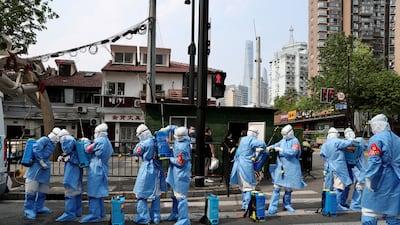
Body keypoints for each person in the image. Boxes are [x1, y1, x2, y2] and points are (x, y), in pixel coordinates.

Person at [361, 114, 400, 225]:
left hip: (380, 178)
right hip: (396, 179)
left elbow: (374, 161)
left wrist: (369, 177)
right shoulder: (397, 139)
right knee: (394, 214)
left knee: (369, 212)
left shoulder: (376, 139)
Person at [266, 124, 306, 215]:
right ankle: (273, 206)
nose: (284, 137)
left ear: (290, 133)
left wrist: (281, 150)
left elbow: (293, 152)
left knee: (288, 187)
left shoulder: (295, 141)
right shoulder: (283, 140)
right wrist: (269, 147)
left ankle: (287, 204)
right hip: (281, 166)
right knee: (277, 187)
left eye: (285, 135)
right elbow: (276, 145)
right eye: (283, 135)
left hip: (291, 166)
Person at [132, 124, 167, 225]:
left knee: (141, 194)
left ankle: (143, 218)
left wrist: (139, 144)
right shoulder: (157, 140)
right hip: (158, 170)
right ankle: (156, 217)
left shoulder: (144, 143)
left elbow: (136, 152)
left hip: (147, 169)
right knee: (156, 195)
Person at [23, 127, 61, 219]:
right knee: (32, 189)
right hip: (36, 166)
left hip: (45, 167)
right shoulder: (44, 139)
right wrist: (40, 161)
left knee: (43, 189)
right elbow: (36, 148)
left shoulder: (53, 144)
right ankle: (29, 209)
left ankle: (39, 207)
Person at [80, 123, 114, 223]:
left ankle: (94, 215)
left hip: (96, 168)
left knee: (93, 192)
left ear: (98, 132)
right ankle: (101, 213)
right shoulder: (107, 141)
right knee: (99, 192)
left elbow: (88, 149)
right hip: (103, 167)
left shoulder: (99, 140)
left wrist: (85, 141)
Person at [229, 126, 267, 212]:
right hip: (246, 166)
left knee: (243, 186)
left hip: (238, 165)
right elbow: (262, 144)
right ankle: (248, 206)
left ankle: (244, 204)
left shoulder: (243, 140)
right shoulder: (251, 139)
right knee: (249, 186)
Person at [320, 127, 355, 211]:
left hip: (328, 167)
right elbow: (349, 143)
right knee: (338, 186)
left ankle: (327, 204)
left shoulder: (325, 144)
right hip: (338, 167)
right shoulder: (337, 141)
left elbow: (323, 156)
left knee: (328, 187)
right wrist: (351, 138)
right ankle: (336, 204)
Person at [55, 129, 84, 222]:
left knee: (70, 188)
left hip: (72, 168)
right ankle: (77, 211)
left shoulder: (66, 139)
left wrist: (65, 156)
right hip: (77, 166)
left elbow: (67, 150)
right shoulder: (72, 139)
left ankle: (69, 213)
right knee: (77, 189)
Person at [165, 126, 192, 225]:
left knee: (180, 197)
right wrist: (168, 128)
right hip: (175, 172)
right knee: (174, 195)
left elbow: (180, 162)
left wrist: (169, 158)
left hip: (181, 173)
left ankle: (183, 219)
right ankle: (175, 213)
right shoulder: (185, 139)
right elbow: (176, 129)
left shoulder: (182, 147)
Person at [341, 127, 367, 211]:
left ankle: (342, 201)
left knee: (347, 183)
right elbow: (366, 147)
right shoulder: (360, 141)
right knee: (359, 184)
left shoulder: (343, 143)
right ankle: (355, 204)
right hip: (358, 165)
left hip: (348, 165)